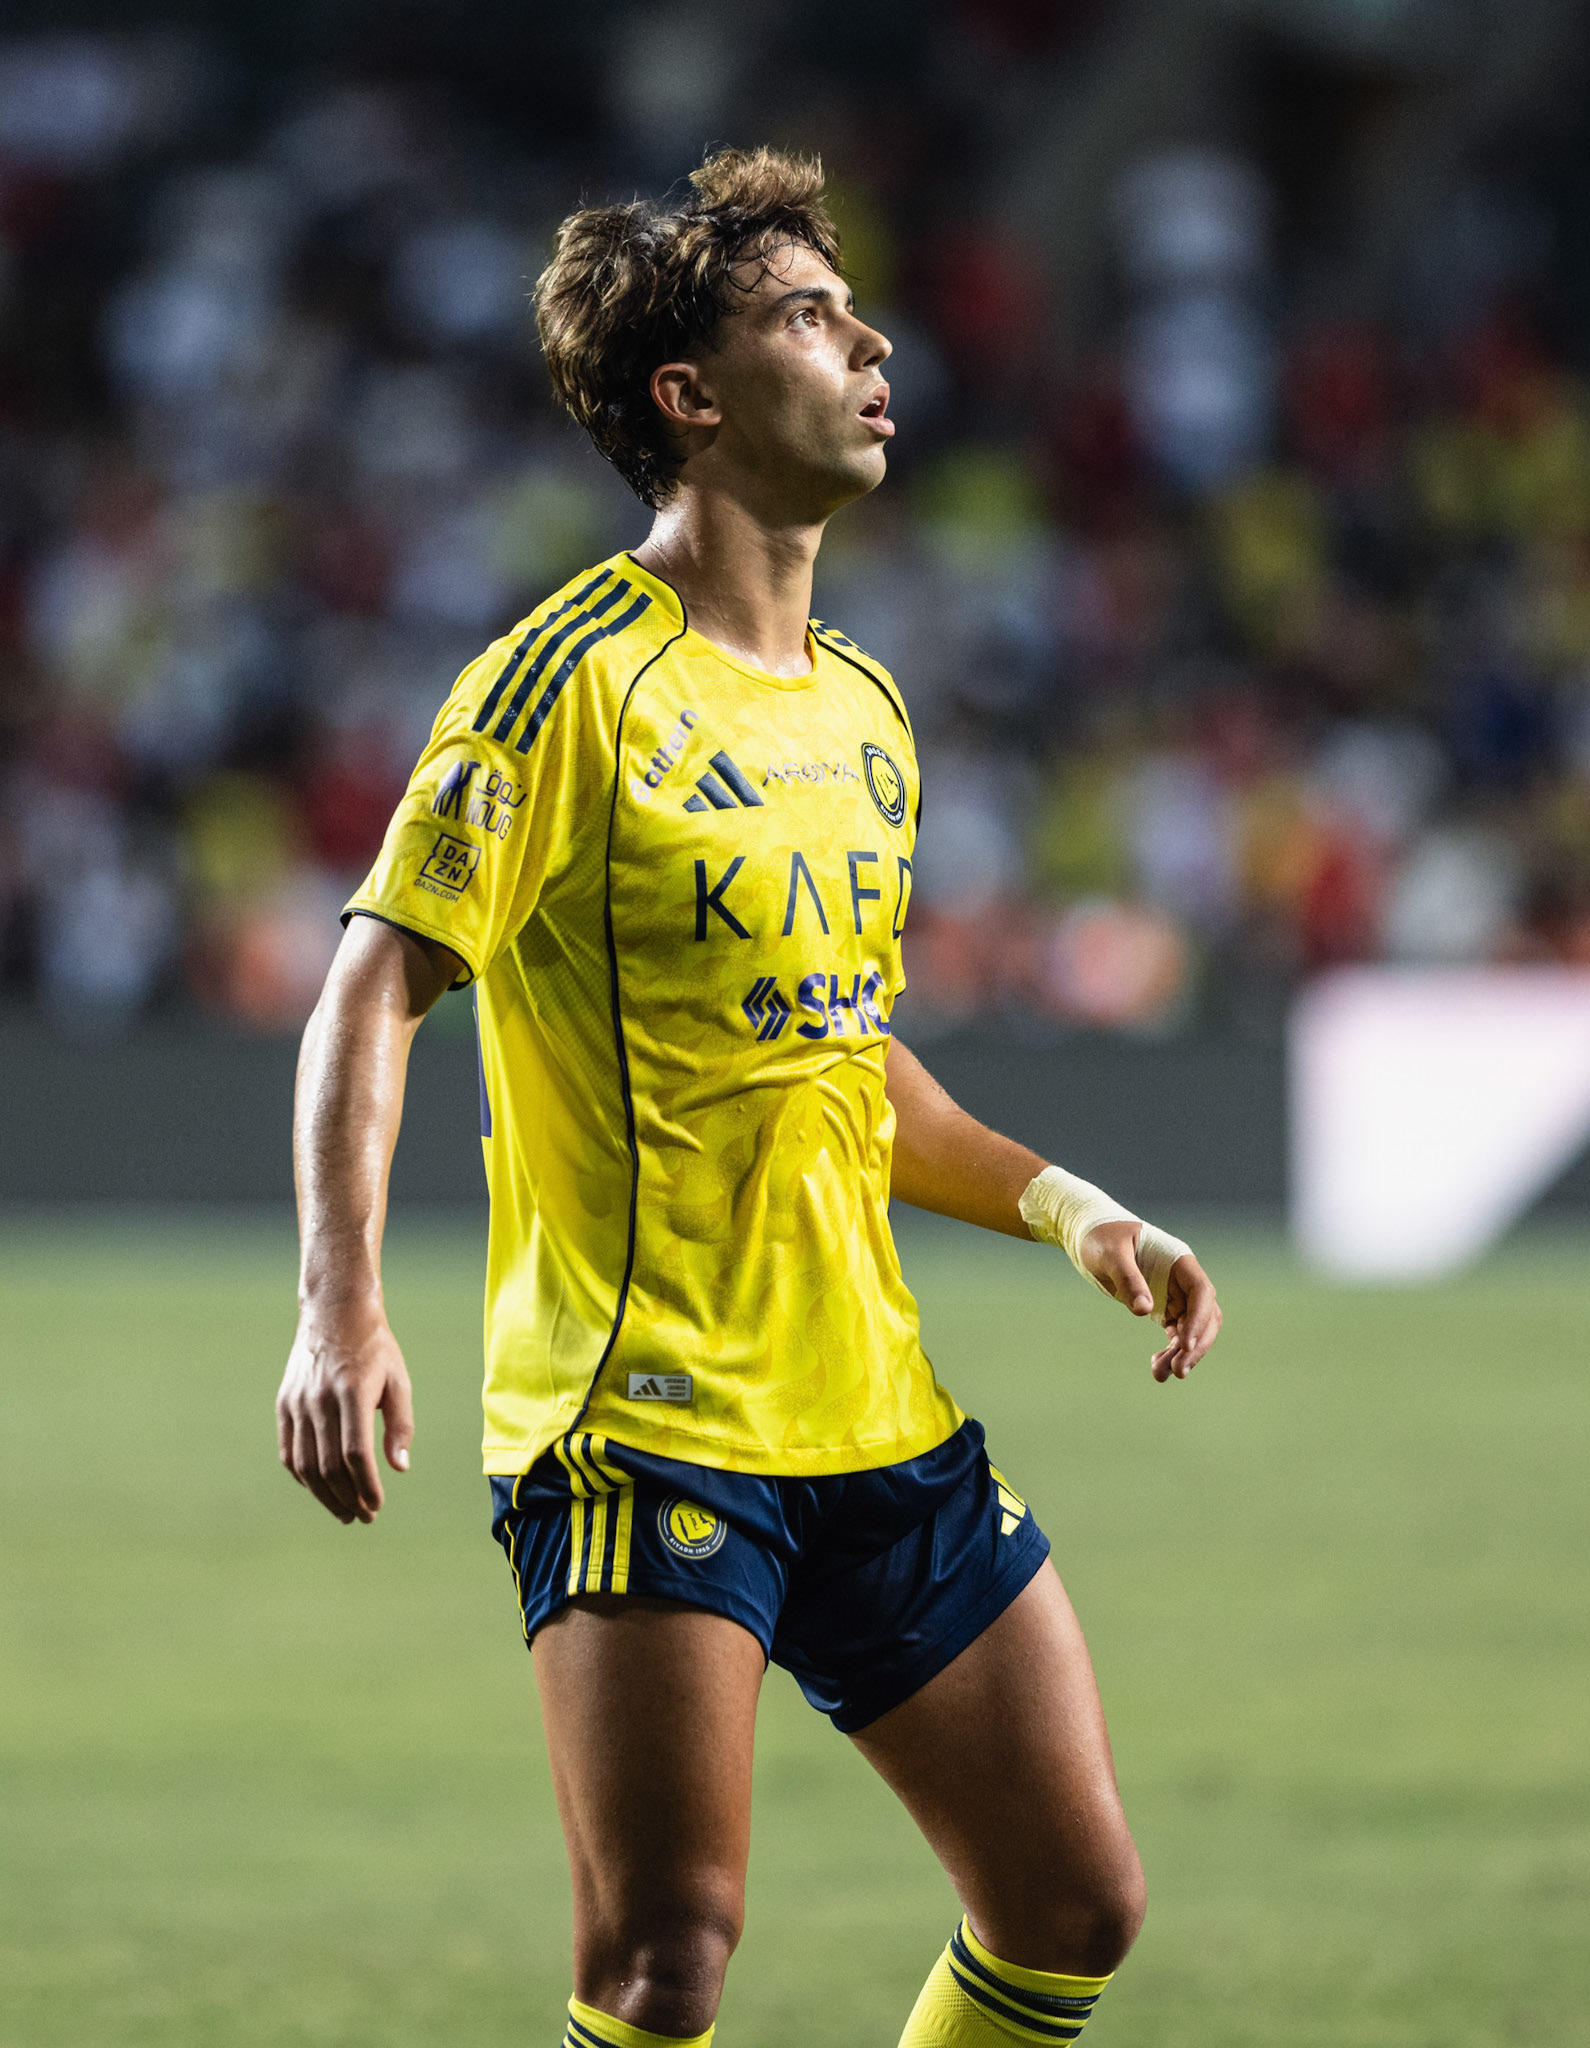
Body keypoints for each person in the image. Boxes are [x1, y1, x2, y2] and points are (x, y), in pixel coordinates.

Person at [277, 147, 1223, 2048]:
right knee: (665, 1958)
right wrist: (339, 1303)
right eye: (809, 315)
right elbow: (376, 980)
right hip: (643, 1424)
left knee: (1072, 1904)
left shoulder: (862, 711)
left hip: (870, 1413)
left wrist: (1066, 1206)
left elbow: (836, 1056)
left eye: (856, 312)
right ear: (687, 399)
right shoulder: (561, 687)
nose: (871, 345)